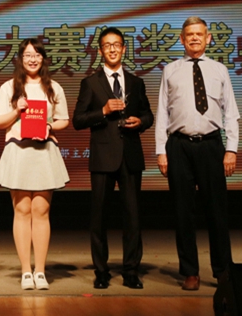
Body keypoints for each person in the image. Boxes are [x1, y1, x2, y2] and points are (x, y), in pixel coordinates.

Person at [156, 16, 239, 290]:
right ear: (181, 39)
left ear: (208, 38)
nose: (194, 38)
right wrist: (161, 151)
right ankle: (190, 271)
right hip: (178, 146)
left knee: (217, 211)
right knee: (183, 212)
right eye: (189, 34)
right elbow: (162, 112)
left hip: (212, 146)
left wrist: (231, 149)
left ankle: (223, 271)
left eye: (199, 34)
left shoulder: (219, 70)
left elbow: (231, 113)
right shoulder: (170, 70)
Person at [73, 27, 154, 290]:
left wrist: (141, 122)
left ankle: (131, 271)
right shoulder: (90, 83)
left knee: (133, 217)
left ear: (124, 49)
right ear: (100, 50)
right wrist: (103, 111)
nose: (112, 49)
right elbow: (78, 120)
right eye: (107, 45)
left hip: (130, 155)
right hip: (102, 156)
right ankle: (101, 271)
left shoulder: (136, 82)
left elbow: (149, 115)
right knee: (99, 217)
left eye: (116, 44)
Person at [0, 38, 70, 290]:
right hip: (18, 151)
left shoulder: (54, 87)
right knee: (22, 210)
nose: (32, 59)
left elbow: (63, 120)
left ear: (43, 59)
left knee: (41, 210)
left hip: (44, 152)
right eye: (28, 55)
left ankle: (40, 271)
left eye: (37, 55)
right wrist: (17, 111)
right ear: (20, 59)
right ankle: (26, 270)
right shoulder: (9, 87)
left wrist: (49, 126)